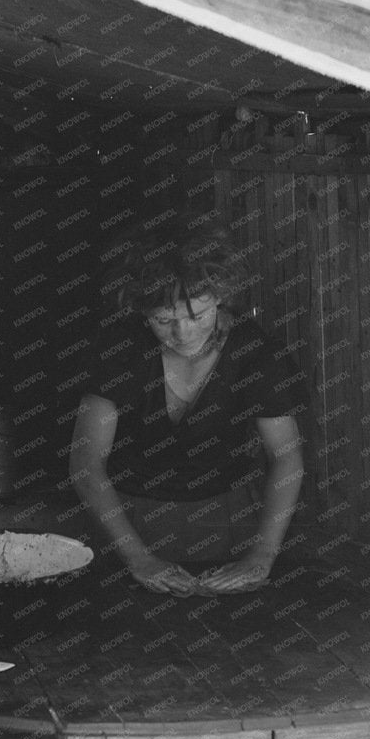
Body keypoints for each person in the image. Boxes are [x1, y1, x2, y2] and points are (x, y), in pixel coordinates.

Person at [69, 224, 305, 596]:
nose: (182, 334)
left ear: (220, 298)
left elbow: (286, 459)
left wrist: (261, 555)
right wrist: (138, 558)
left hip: (227, 520)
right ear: (142, 311)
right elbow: (86, 466)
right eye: (164, 320)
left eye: (197, 316)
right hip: (123, 521)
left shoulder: (256, 353)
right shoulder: (119, 350)